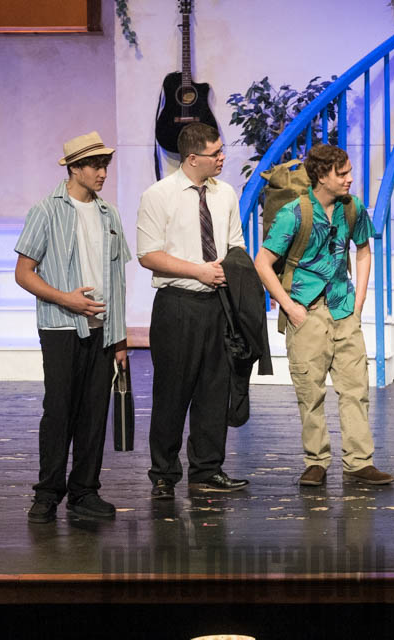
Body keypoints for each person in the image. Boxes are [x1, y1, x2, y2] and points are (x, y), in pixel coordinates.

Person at [254, 144, 394, 487]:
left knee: (355, 388)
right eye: (342, 174)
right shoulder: (294, 213)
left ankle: (359, 462)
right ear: (321, 176)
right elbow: (262, 263)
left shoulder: (352, 208)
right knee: (310, 391)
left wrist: (359, 301)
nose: (349, 179)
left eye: (349, 172)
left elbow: (363, 249)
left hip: (343, 309)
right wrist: (289, 307)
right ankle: (316, 461)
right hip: (308, 312)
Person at [15, 131, 131, 524]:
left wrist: (120, 338)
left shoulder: (109, 214)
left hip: (102, 329)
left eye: (105, 165)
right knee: (59, 410)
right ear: (75, 168)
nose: (103, 173)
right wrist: (67, 299)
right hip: (61, 326)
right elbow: (23, 273)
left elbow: (117, 278)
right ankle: (48, 492)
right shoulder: (46, 211)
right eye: (95, 166)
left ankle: (84, 492)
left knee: (94, 413)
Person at [137, 122, 249, 495]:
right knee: (172, 391)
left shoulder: (225, 193)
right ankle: (164, 474)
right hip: (178, 304)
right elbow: (148, 255)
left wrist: (233, 272)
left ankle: (206, 469)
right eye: (215, 153)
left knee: (214, 391)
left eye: (221, 150)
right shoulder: (158, 195)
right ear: (192, 158)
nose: (222, 158)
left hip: (217, 303)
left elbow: (235, 244)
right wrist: (198, 271)